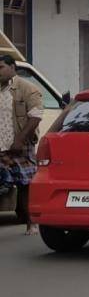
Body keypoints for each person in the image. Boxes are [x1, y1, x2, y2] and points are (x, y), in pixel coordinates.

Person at [0, 55, 43, 235]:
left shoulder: (27, 89)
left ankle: (31, 222)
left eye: (1, 67)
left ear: (12, 67)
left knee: (25, 184)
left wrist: (20, 139)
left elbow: (35, 115)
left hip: (19, 145)